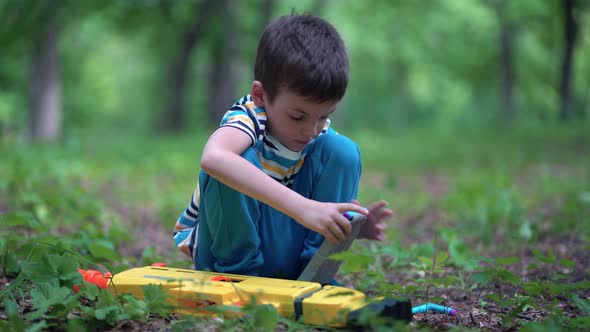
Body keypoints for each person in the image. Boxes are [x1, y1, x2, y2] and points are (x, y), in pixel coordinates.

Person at [173, 13, 394, 280]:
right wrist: (303, 207)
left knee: (342, 150)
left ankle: (315, 272)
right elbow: (213, 157)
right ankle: (239, 276)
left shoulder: (317, 134)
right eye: (298, 117)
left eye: (324, 115)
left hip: (284, 253)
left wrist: (345, 226)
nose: (312, 130)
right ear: (260, 95)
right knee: (235, 158)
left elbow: (322, 165)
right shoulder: (249, 117)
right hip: (224, 254)